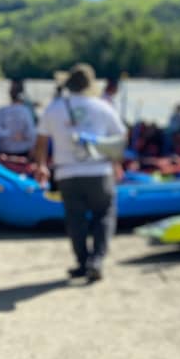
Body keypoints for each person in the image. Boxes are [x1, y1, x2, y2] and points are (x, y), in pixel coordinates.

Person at [35, 63, 126, 284]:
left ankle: (82, 261)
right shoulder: (103, 107)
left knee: (75, 219)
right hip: (98, 170)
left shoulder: (54, 108)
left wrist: (41, 165)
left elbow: (41, 140)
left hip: (67, 172)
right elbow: (120, 137)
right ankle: (97, 260)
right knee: (104, 214)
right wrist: (116, 162)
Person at [0, 85, 37, 157]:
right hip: (22, 151)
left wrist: (8, 134)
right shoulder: (25, 111)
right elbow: (31, 132)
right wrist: (23, 136)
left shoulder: (2, 110)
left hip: (4, 150)